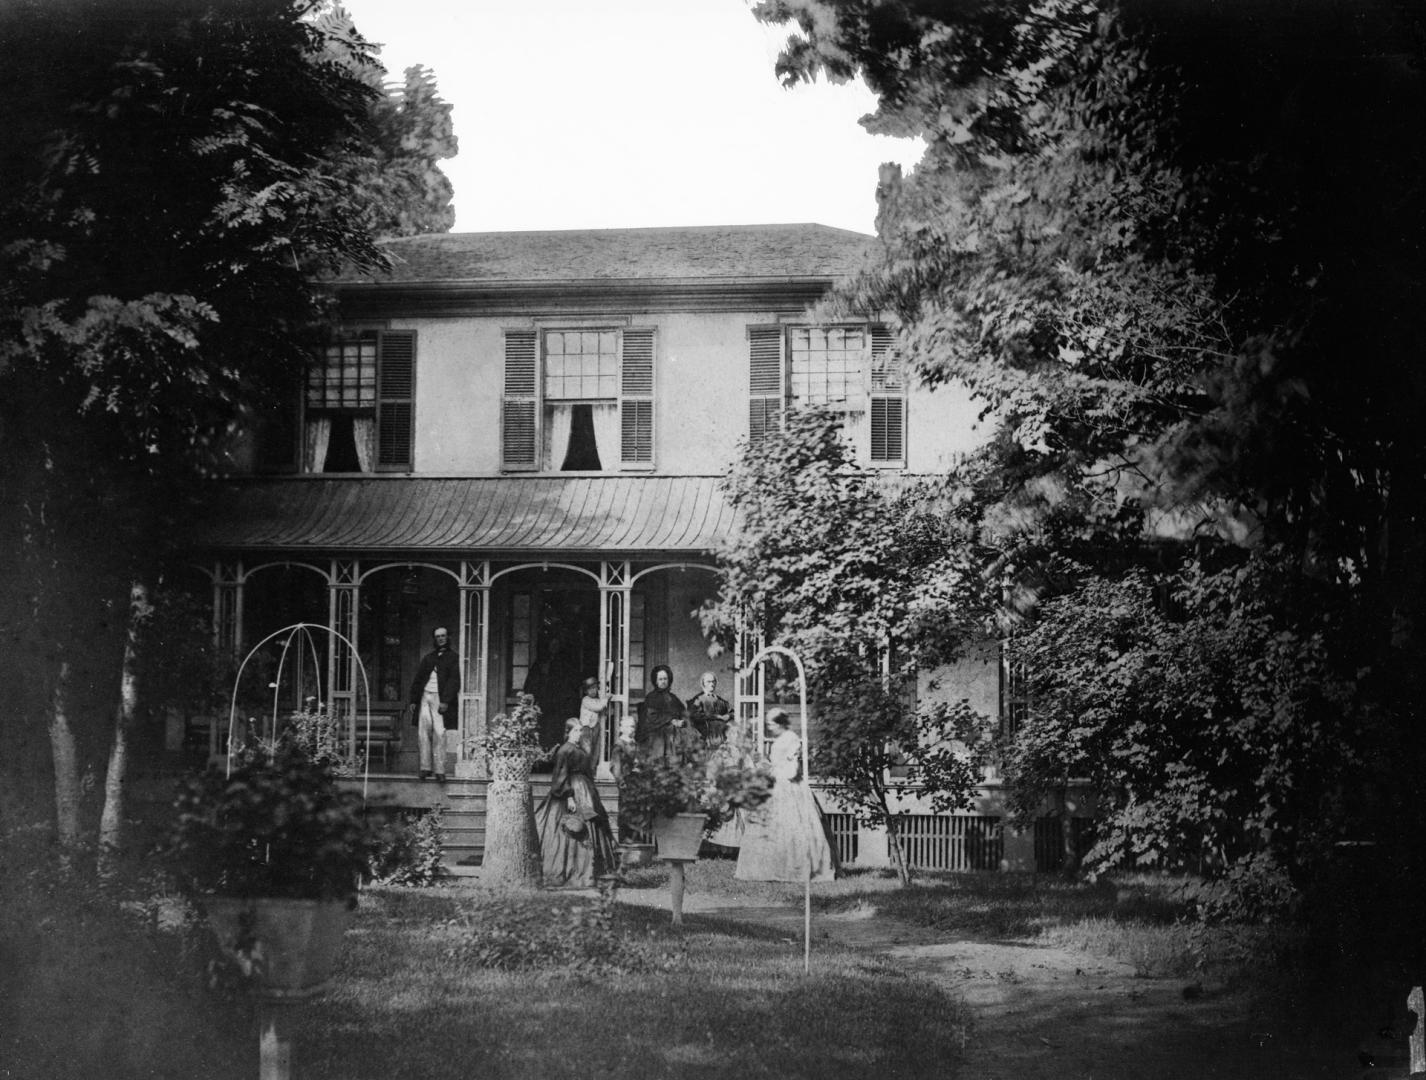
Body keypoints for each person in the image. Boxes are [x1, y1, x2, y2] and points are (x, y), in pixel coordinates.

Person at [735, 708, 837, 883]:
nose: (769, 727)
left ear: (781, 723)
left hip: (790, 787)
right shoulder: (780, 739)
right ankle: (770, 869)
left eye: (771, 724)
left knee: (793, 827)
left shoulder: (792, 739)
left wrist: (773, 772)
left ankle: (795, 869)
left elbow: (793, 770)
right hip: (777, 785)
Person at [535, 717, 617, 887]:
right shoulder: (564, 750)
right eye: (576, 730)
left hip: (585, 789)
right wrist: (569, 796)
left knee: (592, 824)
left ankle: (595, 871)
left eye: (580, 730)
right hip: (571, 791)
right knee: (570, 827)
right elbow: (560, 776)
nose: (580, 733)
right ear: (569, 732)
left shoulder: (578, 748)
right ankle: (568, 869)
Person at [407, 626, 460, 781]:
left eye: (443, 636)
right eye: (438, 636)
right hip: (425, 697)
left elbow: (454, 681)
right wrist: (413, 700)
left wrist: (446, 701)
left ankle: (440, 770)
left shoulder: (453, 657)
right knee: (423, 733)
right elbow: (418, 680)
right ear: (434, 639)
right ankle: (425, 767)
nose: (441, 638)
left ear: (448, 637)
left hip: (440, 698)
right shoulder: (428, 658)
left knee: (440, 733)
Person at [636, 664, 686, 761]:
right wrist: (671, 720)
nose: (663, 682)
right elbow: (651, 717)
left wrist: (682, 720)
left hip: (673, 732)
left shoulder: (673, 697)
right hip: (655, 733)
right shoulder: (651, 697)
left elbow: (683, 712)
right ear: (655, 681)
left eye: (665, 679)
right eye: (660, 679)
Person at [685, 671, 733, 745]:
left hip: (721, 736)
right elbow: (694, 715)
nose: (712, 684)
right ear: (703, 683)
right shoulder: (698, 699)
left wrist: (728, 715)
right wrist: (716, 716)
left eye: (713, 681)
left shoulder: (719, 700)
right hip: (705, 736)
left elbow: (732, 711)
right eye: (709, 682)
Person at [577, 673, 609, 763]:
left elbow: (601, 706)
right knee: (586, 749)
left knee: (595, 749)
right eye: (590, 689)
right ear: (586, 691)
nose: (593, 691)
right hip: (586, 728)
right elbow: (598, 707)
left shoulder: (597, 699)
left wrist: (604, 693)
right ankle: (584, 769)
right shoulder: (586, 700)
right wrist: (606, 699)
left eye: (595, 688)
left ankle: (592, 769)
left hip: (594, 727)